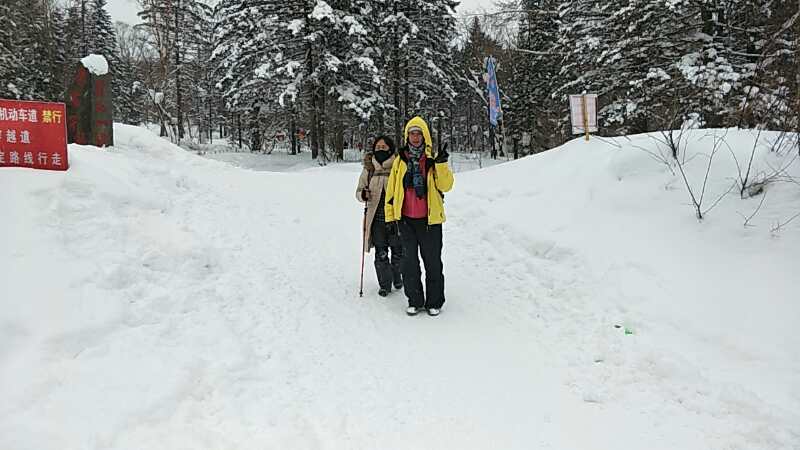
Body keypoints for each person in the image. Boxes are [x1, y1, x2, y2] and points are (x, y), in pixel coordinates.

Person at [384, 117, 454, 316]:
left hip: (430, 221)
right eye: (411, 133)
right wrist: (390, 218)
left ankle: (434, 301)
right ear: (407, 136)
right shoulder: (400, 160)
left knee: (432, 261)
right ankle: (414, 300)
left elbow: (446, 186)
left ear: (425, 135)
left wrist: (440, 165)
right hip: (406, 220)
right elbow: (392, 192)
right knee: (409, 263)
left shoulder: (433, 159)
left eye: (418, 133)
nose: (415, 137)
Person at [355, 136, 404, 297]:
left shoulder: (398, 166)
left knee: (398, 252)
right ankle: (384, 284)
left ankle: (397, 278)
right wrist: (363, 194)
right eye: (378, 146)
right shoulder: (369, 169)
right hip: (376, 219)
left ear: (390, 149)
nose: (381, 149)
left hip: (396, 218)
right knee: (381, 253)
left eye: (384, 147)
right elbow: (358, 192)